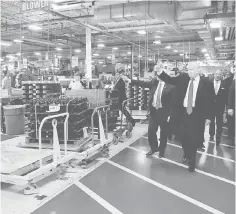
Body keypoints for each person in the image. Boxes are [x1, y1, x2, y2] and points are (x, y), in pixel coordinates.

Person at [155, 62, 214, 172]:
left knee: (194, 138)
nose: (189, 72)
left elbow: (211, 101)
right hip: (183, 113)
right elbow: (170, 80)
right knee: (183, 137)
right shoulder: (183, 78)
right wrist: (160, 72)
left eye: (192, 70)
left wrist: (209, 117)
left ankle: (192, 161)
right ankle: (187, 154)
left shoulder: (206, 83)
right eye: (188, 70)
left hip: (197, 114)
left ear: (198, 70)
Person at [126, 68, 175, 158]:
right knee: (151, 131)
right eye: (157, 74)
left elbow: (173, 103)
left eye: (159, 74)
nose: (157, 76)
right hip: (153, 112)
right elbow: (143, 83)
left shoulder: (171, 87)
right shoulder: (154, 83)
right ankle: (153, 148)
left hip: (164, 113)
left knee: (163, 133)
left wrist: (170, 115)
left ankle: (161, 151)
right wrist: (130, 80)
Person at [209, 69, 228, 146]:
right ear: (214, 75)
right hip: (211, 107)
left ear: (221, 75)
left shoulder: (225, 84)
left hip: (220, 107)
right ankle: (211, 135)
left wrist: (226, 108)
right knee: (211, 122)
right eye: (216, 74)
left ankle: (218, 137)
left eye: (219, 74)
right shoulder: (209, 83)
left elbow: (226, 96)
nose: (218, 75)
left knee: (219, 123)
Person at [227, 69, 235, 146]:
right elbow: (230, 95)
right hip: (234, 108)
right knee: (232, 124)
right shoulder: (234, 81)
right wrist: (230, 108)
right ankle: (231, 139)